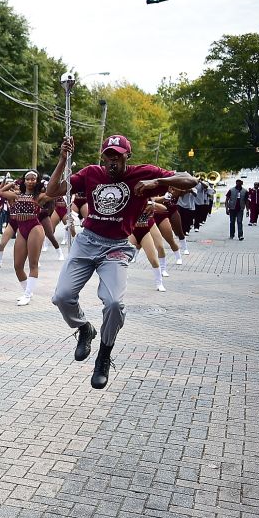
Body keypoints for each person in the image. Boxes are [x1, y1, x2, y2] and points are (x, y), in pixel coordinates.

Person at [47, 135, 197, 389]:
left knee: (114, 303)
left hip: (116, 246)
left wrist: (157, 181)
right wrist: (62, 160)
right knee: (62, 296)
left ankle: (104, 354)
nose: (112, 160)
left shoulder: (144, 174)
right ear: (102, 156)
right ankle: (85, 328)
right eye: (108, 155)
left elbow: (190, 181)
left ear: (128, 155)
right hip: (87, 242)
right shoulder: (91, 173)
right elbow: (52, 192)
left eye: (117, 155)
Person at [0, 171, 48, 305]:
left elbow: (55, 193)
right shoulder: (16, 194)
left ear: (37, 181)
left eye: (33, 179)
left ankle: (26, 295)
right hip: (21, 230)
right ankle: (28, 291)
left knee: (33, 263)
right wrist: (13, 183)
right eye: (28, 179)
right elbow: (1, 192)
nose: (31, 181)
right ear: (24, 180)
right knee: (18, 265)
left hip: (34, 228)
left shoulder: (39, 196)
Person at [126, 197, 169, 292]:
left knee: (153, 259)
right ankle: (121, 278)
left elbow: (164, 208)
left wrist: (152, 204)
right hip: (132, 231)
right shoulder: (129, 199)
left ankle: (159, 283)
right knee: (123, 258)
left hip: (145, 231)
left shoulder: (148, 200)